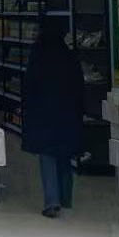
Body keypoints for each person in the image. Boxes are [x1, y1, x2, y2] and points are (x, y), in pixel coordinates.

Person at [21, 27, 85, 218]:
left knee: (47, 156)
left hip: (43, 115)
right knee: (64, 157)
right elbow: (79, 85)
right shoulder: (69, 56)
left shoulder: (38, 56)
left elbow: (29, 85)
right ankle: (65, 199)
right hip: (67, 114)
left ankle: (52, 201)